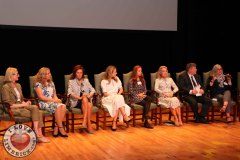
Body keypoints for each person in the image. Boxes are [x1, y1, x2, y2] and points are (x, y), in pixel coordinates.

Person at [1, 67, 50, 143]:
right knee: (38, 112)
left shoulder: (18, 85)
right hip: (12, 109)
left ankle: (38, 135)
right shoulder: (5, 87)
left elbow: (21, 99)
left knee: (36, 109)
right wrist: (23, 104)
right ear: (11, 76)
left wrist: (25, 102)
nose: (19, 75)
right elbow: (9, 105)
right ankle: (38, 135)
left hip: (21, 106)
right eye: (17, 74)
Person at [34, 67, 68, 137]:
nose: (50, 74)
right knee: (58, 106)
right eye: (48, 73)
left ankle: (56, 127)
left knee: (63, 106)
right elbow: (41, 97)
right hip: (43, 103)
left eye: (49, 73)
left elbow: (54, 95)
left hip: (52, 102)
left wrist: (57, 100)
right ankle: (61, 129)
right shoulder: (38, 84)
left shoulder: (52, 83)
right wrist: (54, 101)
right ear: (43, 75)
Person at [101, 65, 132, 131]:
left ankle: (114, 122)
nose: (116, 73)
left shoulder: (117, 79)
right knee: (118, 99)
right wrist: (114, 96)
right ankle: (125, 116)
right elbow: (105, 94)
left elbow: (121, 89)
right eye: (115, 72)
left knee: (118, 99)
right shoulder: (104, 81)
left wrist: (118, 94)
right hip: (107, 98)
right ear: (110, 73)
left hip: (116, 98)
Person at [67, 65, 95, 133]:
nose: (79, 74)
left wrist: (88, 95)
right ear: (75, 73)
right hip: (76, 101)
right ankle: (88, 125)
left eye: (81, 72)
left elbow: (93, 90)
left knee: (86, 100)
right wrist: (79, 97)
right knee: (89, 104)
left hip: (85, 100)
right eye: (77, 72)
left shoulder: (86, 80)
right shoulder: (71, 81)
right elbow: (70, 93)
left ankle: (85, 122)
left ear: (83, 73)